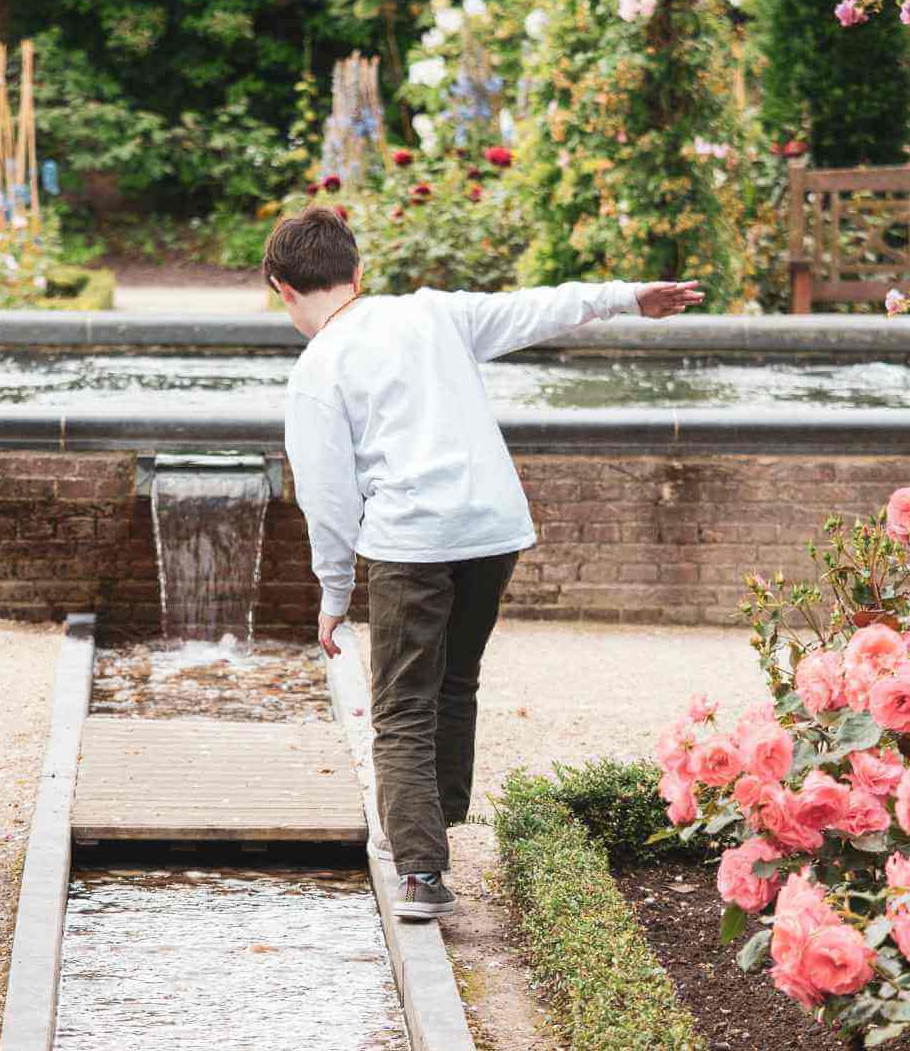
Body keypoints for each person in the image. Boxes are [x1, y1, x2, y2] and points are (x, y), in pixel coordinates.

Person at [270, 205, 703, 920]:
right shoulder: (434, 313)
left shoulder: (318, 369)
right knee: (455, 681)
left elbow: (328, 496)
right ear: (357, 272)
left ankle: (419, 869)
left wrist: (334, 591)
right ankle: (434, 827)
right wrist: (632, 296)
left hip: (412, 541)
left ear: (282, 289)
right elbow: (540, 308)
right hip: (494, 531)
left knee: (402, 705)